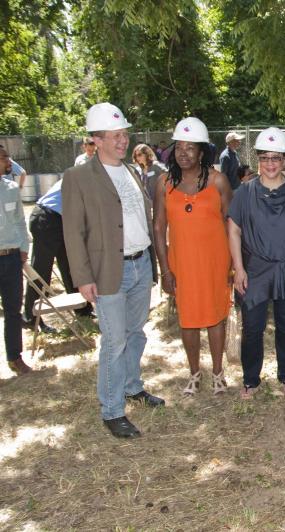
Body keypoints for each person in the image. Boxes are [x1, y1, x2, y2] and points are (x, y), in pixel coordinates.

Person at [62, 102, 164, 439]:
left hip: (140, 264)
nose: (123, 141)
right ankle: (111, 409)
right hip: (109, 272)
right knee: (114, 341)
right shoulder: (78, 178)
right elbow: (73, 231)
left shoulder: (132, 172)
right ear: (97, 140)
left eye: (124, 135)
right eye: (115, 136)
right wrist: (83, 278)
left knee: (136, 333)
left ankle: (132, 386)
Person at [227, 128, 285, 399]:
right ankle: (251, 379)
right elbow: (233, 230)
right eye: (265, 158)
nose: (271, 164)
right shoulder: (244, 193)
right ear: (257, 160)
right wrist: (239, 268)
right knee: (252, 327)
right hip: (254, 269)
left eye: (276, 158)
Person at [153, 117, 232, 397]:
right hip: (181, 263)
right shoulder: (164, 183)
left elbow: (230, 224)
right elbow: (159, 227)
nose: (183, 153)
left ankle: (219, 374)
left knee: (215, 317)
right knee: (188, 318)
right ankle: (194, 373)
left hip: (215, 261)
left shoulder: (218, 181)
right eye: (179, 148)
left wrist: (233, 264)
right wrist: (165, 269)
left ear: (201, 152)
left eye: (190, 148)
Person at [23, 178, 94, 334]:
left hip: (61, 220)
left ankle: (82, 309)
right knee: (41, 271)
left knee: (72, 266)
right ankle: (30, 318)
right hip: (47, 218)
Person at [0, 146, 32, 375]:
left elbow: (20, 221)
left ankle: (15, 357)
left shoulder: (11, 188)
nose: (7, 161)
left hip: (11, 257)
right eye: (4, 157)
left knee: (13, 309)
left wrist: (23, 249)